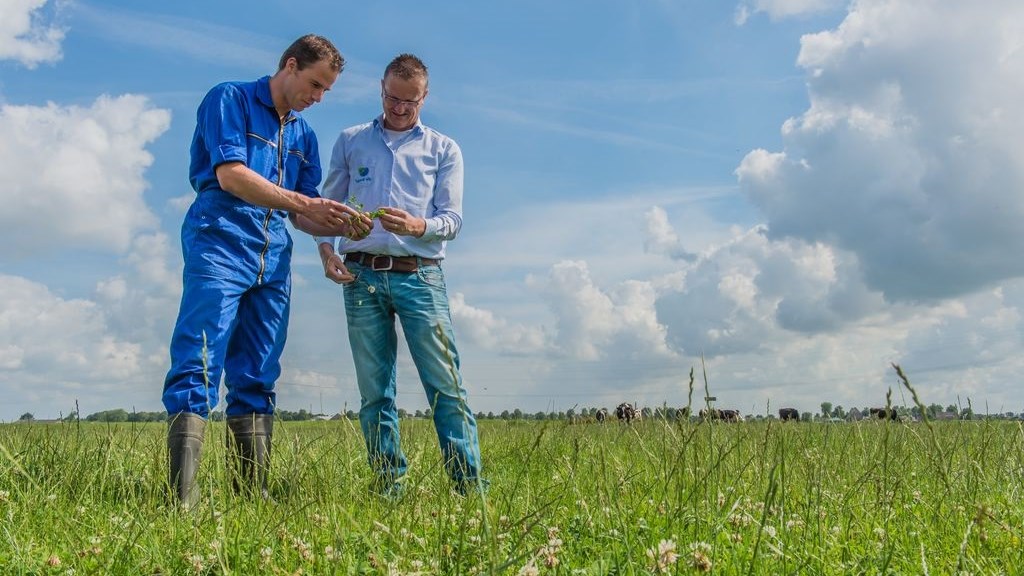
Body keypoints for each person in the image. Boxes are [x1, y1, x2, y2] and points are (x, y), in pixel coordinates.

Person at [163, 34, 372, 507]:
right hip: (220, 236)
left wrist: (338, 224)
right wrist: (303, 202)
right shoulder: (229, 98)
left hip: (273, 251)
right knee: (198, 356)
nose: (317, 98)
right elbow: (230, 175)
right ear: (290, 65)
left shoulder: (303, 135)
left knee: (258, 368)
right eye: (315, 85)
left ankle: (251, 495)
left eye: (326, 92)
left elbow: (302, 211)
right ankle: (181, 499)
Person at [316, 53, 485, 496]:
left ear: (425, 97)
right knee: (375, 393)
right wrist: (325, 250)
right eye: (393, 98)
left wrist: (418, 226)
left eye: (411, 101)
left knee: (446, 386)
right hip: (361, 276)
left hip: (421, 275)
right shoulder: (351, 141)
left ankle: (469, 489)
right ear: (381, 89)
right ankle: (390, 485)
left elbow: (453, 219)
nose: (401, 108)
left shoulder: (444, 149)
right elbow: (325, 209)